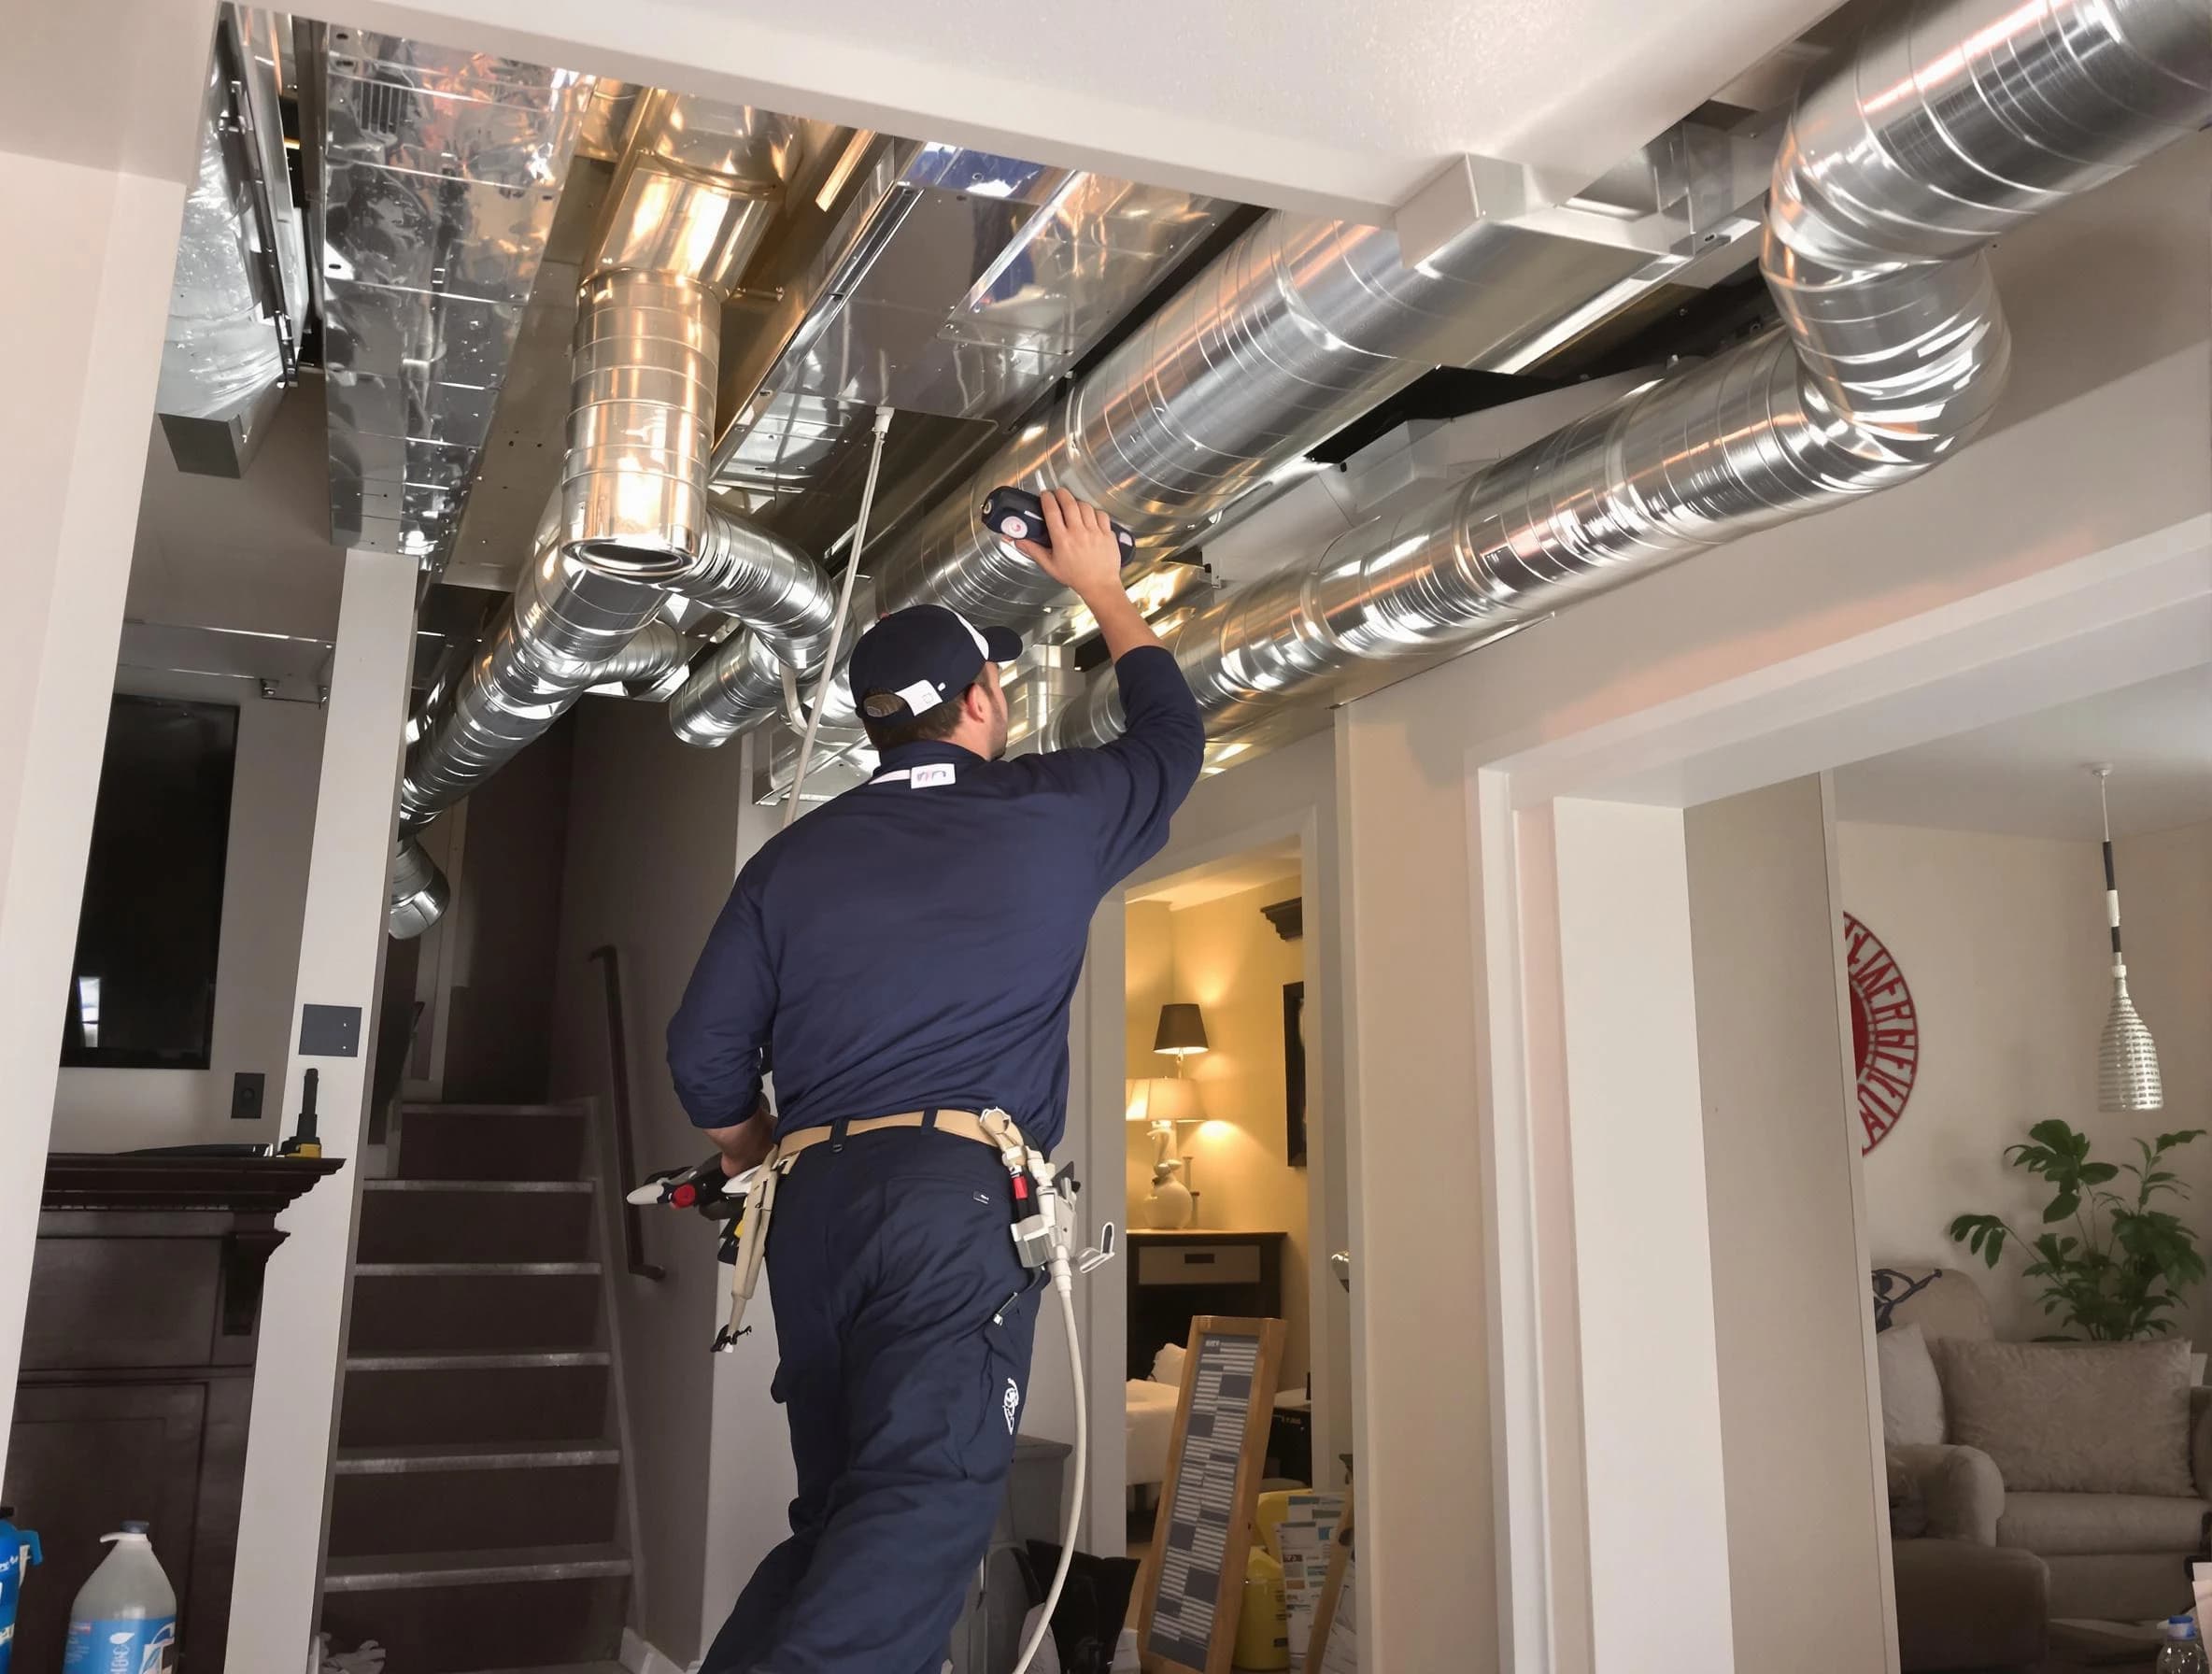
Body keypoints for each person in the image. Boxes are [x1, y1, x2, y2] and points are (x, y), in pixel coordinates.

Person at [667, 489, 1205, 1674]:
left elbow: (701, 1053)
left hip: (810, 1215)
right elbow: (1172, 741)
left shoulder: (795, 857)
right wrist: (1103, 587)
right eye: (995, 683)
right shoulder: (1053, 814)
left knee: (848, 1521)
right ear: (980, 700)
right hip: (947, 1206)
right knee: (922, 1507)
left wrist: (757, 1156)